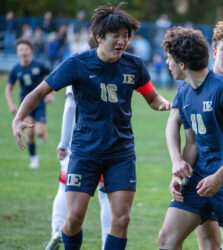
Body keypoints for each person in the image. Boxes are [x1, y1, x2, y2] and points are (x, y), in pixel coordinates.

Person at [12, 3, 170, 250]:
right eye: (116, 36)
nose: (122, 41)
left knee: (122, 218)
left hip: (121, 152)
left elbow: (152, 97)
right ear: (99, 37)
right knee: (74, 218)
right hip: (85, 152)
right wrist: (19, 116)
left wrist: (167, 105)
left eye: (126, 36)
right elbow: (40, 91)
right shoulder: (77, 64)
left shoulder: (134, 65)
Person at [158, 26, 223, 250]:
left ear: (182, 64)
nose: (167, 63)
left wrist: (219, 177)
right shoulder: (184, 92)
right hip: (199, 179)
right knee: (167, 239)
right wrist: (179, 173)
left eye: (169, 59)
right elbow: (192, 143)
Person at [45, 36, 111, 250]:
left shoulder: (78, 67)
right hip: (110, 143)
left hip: (80, 143)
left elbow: (69, 109)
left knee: (64, 187)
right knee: (106, 195)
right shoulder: (117, 69)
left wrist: (64, 143)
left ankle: (57, 231)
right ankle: (107, 245)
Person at [5, 38, 53, 168]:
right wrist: (11, 104)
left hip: (40, 102)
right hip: (25, 105)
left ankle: (43, 132)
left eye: (26, 49)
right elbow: (8, 88)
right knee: (30, 133)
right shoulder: (15, 69)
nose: (23, 52)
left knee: (38, 132)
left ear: (31, 51)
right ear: (17, 52)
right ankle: (33, 159)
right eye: (20, 49)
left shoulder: (40, 65)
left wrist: (51, 95)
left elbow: (53, 78)